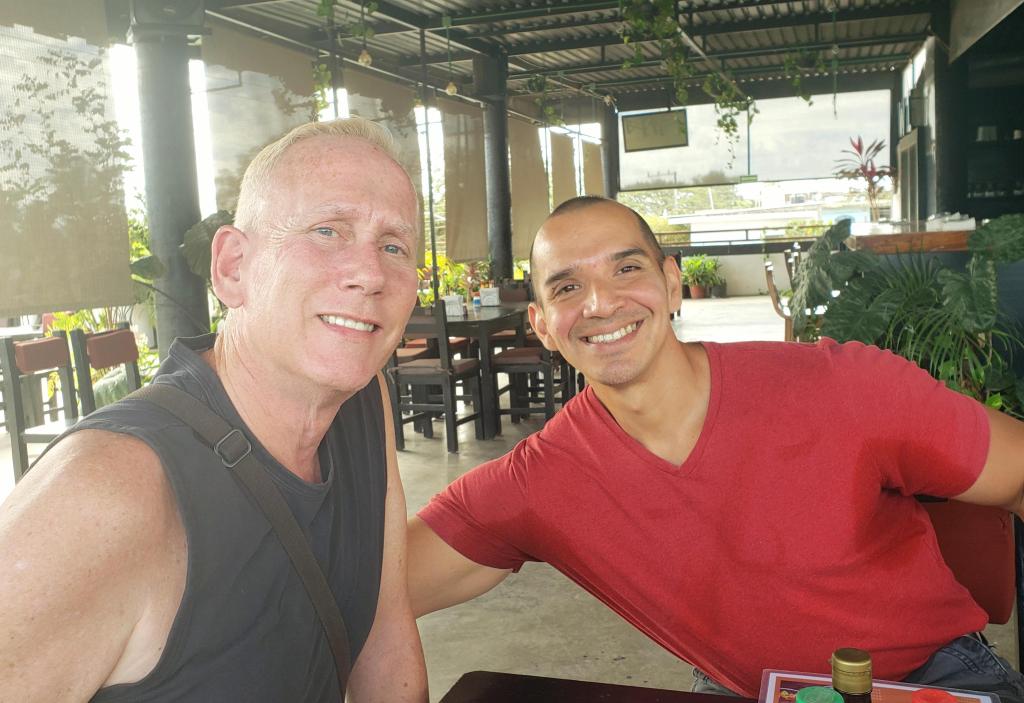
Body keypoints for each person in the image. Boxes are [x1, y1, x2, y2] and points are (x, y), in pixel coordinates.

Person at [408, 196, 1024, 702]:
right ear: (543, 325)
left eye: (627, 269)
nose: (600, 303)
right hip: (745, 690)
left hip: (935, 681)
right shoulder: (539, 480)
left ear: (673, 283)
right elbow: (379, 587)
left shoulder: (838, 386)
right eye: (568, 286)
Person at [0, 118, 428, 702]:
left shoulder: (363, 403)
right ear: (232, 267)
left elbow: (384, 630)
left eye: (394, 246)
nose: (370, 273)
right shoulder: (104, 489)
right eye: (327, 230)